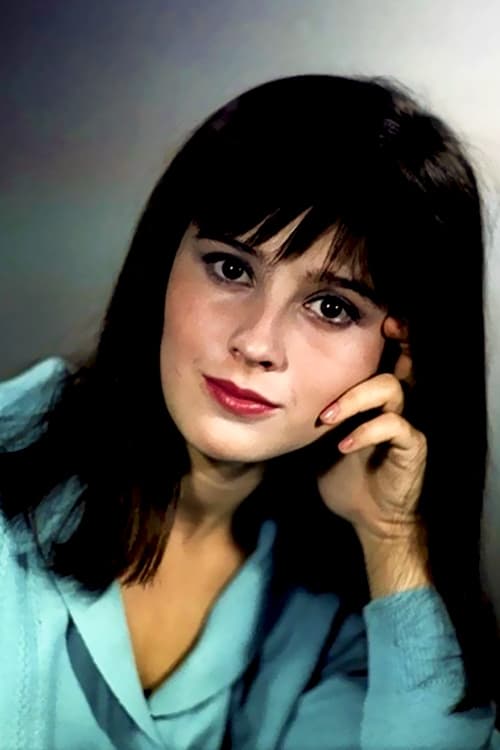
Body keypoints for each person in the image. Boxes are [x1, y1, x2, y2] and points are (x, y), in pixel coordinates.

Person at [0, 74, 499, 750]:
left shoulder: (346, 606)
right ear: (163, 262)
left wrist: (393, 542)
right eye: (231, 269)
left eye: (333, 307)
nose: (257, 344)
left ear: (400, 354)